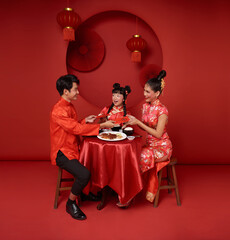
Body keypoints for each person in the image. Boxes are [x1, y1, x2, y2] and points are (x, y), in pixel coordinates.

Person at [50, 74, 114, 220]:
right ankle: (70, 203)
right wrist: (102, 125)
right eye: (75, 89)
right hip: (62, 152)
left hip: (73, 147)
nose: (78, 92)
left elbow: (73, 126)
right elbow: (76, 129)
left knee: (93, 161)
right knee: (84, 174)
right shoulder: (58, 110)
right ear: (66, 91)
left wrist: (86, 120)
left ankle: (84, 193)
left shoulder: (68, 106)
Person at [124, 70, 172, 203]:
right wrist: (131, 121)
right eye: (144, 90)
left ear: (157, 93)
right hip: (149, 146)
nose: (144, 94)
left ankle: (130, 193)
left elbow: (157, 133)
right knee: (132, 154)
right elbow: (144, 127)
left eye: (147, 92)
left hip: (162, 148)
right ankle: (128, 190)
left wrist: (138, 122)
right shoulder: (145, 106)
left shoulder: (163, 110)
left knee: (140, 157)